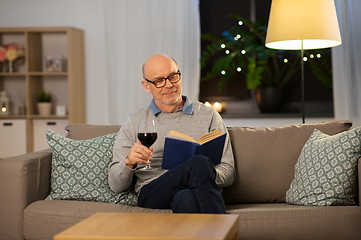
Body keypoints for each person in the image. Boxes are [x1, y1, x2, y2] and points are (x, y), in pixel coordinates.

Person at [108, 54, 235, 213]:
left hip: (195, 192)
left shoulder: (209, 116)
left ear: (179, 76)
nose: (168, 85)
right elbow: (115, 184)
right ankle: (223, 230)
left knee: (185, 198)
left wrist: (201, 175)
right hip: (154, 192)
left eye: (173, 77)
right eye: (159, 81)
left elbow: (228, 172)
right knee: (199, 163)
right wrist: (129, 162)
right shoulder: (135, 121)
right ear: (147, 86)